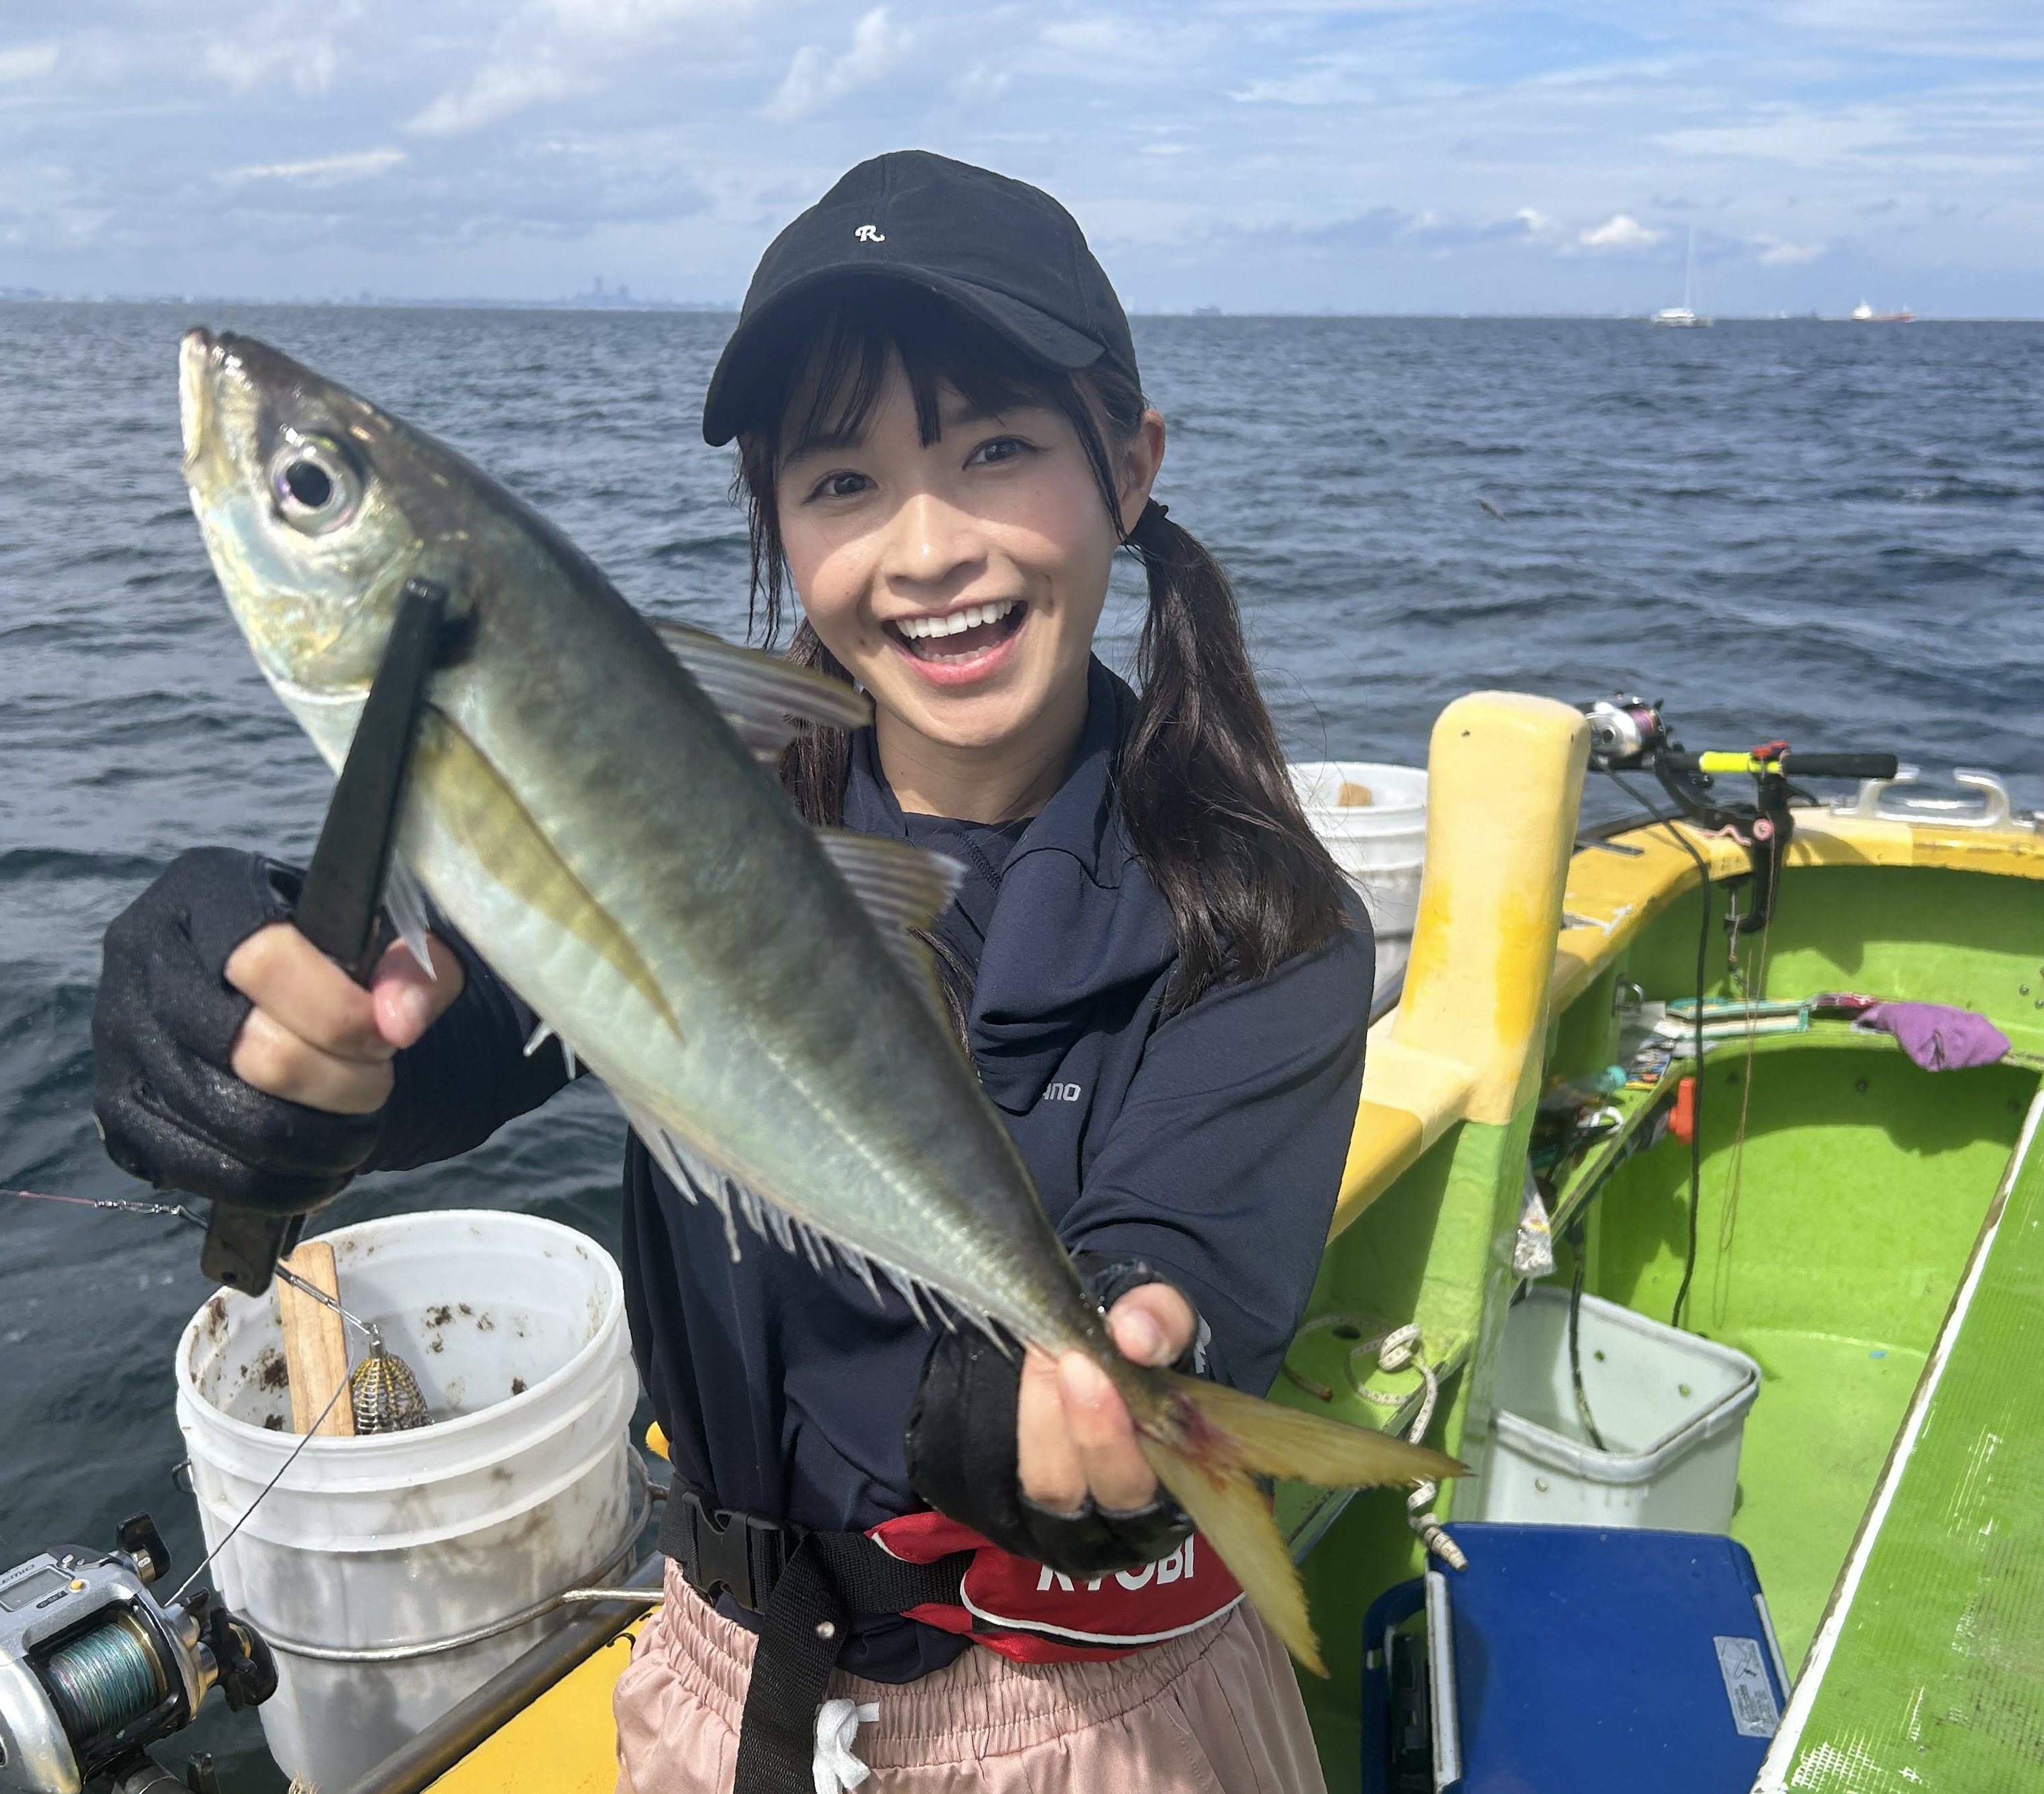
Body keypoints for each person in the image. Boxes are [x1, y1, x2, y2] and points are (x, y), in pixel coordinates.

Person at [93, 151, 1370, 1793]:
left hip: (1103, 1713)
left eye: (993, 448)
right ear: (768, 512)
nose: (924, 548)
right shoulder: (709, 795)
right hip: (720, 1696)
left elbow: (1181, 1268)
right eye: (840, 481)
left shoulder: (1264, 926)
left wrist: (1095, 1397)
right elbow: (437, 1018)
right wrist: (229, 998)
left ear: (1128, 466)